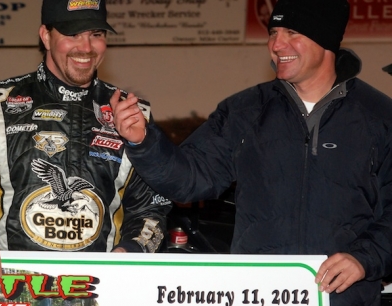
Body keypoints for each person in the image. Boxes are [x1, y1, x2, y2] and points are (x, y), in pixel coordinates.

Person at [110, 0, 392, 305]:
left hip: (345, 299)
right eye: (273, 32)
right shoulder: (244, 112)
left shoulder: (379, 117)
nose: (276, 44)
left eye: (291, 32)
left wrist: (364, 258)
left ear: (324, 40)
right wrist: (144, 141)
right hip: (259, 295)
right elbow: (190, 178)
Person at [0, 0, 171, 283]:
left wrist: (132, 250)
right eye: (73, 34)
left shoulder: (132, 114)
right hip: (6, 287)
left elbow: (152, 208)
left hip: (98, 288)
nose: (86, 47)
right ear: (46, 36)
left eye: (96, 34)